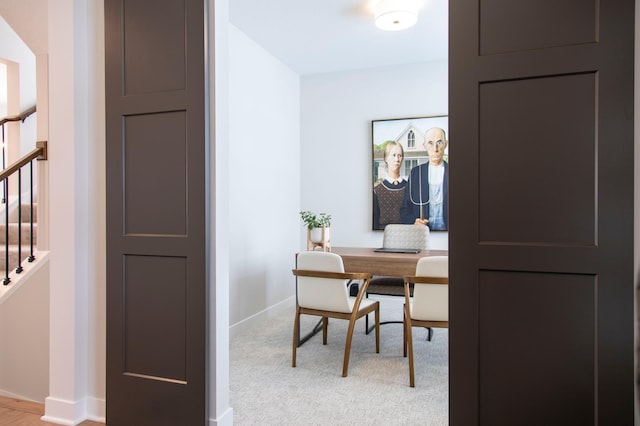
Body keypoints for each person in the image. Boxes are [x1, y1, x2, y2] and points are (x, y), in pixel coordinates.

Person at [400, 127, 448, 230]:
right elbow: (405, 209)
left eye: (439, 142)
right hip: (422, 235)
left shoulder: (456, 173)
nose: (435, 149)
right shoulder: (416, 173)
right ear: (424, 146)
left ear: (446, 144)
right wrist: (413, 221)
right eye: (430, 143)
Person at [373, 141, 407, 230]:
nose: (397, 159)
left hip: (407, 236)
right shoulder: (377, 190)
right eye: (393, 155)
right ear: (386, 158)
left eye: (400, 155)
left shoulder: (409, 188)